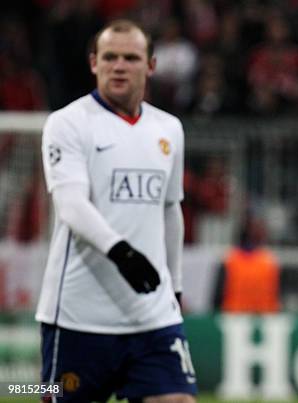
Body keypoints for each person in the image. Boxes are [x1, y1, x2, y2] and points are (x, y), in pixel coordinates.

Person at [37, 19, 197, 402]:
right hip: (78, 317)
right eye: (109, 57)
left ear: (151, 66)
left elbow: (170, 209)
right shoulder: (66, 124)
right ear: (94, 63)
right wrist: (122, 252)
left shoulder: (169, 129)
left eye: (130, 57)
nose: (119, 66)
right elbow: (71, 205)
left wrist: (173, 285)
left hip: (153, 316)